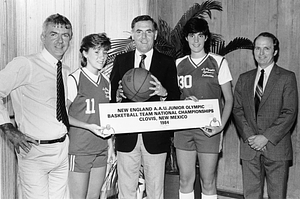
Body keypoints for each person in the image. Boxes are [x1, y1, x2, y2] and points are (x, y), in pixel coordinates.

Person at [0, 14, 72, 199]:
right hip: (34, 152)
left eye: (65, 35)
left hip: (62, 150)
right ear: (43, 37)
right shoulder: (25, 64)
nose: (60, 40)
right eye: (53, 34)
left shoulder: (64, 69)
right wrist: (8, 128)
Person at [110, 15, 180, 199]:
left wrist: (164, 93)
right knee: (126, 190)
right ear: (132, 34)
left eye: (148, 31)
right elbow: (110, 97)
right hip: (127, 134)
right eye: (139, 31)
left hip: (156, 136)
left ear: (155, 35)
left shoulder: (166, 62)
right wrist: (116, 97)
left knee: (156, 191)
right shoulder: (121, 60)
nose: (143, 36)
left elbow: (176, 98)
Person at [233, 32, 298, 199]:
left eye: (266, 48)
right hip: (250, 147)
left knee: (277, 195)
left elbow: (289, 112)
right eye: (257, 48)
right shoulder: (244, 78)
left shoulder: (287, 77)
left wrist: (266, 137)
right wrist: (251, 137)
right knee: (251, 195)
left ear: (275, 51)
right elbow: (237, 110)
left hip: (276, 147)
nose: (261, 53)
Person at [174, 18, 233, 199]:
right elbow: (171, 98)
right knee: (185, 179)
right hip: (183, 128)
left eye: (200, 36)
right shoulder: (178, 64)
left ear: (206, 38)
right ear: (186, 38)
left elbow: (229, 99)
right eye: (192, 36)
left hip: (209, 129)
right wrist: (182, 102)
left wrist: (220, 126)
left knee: (208, 181)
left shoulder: (219, 62)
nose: (196, 40)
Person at [67, 33, 116, 199]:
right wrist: (88, 126)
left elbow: (106, 117)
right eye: (97, 52)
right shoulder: (74, 79)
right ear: (85, 53)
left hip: (100, 149)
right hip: (80, 149)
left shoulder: (106, 81)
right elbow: (63, 116)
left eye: (105, 52)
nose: (102, 57)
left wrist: (110, 146)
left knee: (94, 197)